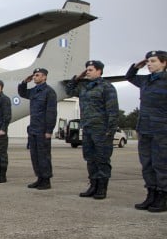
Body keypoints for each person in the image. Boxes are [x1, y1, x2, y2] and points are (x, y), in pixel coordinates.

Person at [66, 60, 119, 199]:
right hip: (88, 128)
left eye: (90, 69)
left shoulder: (107, 87)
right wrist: (78, 77)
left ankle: (102, 188)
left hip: (102, 130)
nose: (87, 72)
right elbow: (69, 90)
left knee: (102, 159)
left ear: (99, 71)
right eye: (87, 70)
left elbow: (113, 110)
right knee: (90, 158)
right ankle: (93, 185)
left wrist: (111, 130)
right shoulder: (85, 87)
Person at [126, 51, 167, 212]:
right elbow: (129, 77)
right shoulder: (145, 80)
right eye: (148, 61)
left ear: (164, 63)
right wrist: (137, 66)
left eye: (153, 61)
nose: (149, 64)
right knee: (147, 164)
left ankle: (163, 196)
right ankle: (151, 194)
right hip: (144, 128)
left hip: (161, 130)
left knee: (161, 164)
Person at [18, 68, 57, 190]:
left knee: (44, 155)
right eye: (34, 75)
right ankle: (39, 178)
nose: (34, 77)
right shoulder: (34, 91)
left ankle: (46, 180)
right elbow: (22, 93)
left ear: (44, 77)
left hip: (43, 129)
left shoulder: (49, 92)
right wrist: (24, 82)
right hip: (33, 128)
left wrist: (49, 130)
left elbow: (51, 112)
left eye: (37, 75)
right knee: (34, 155)